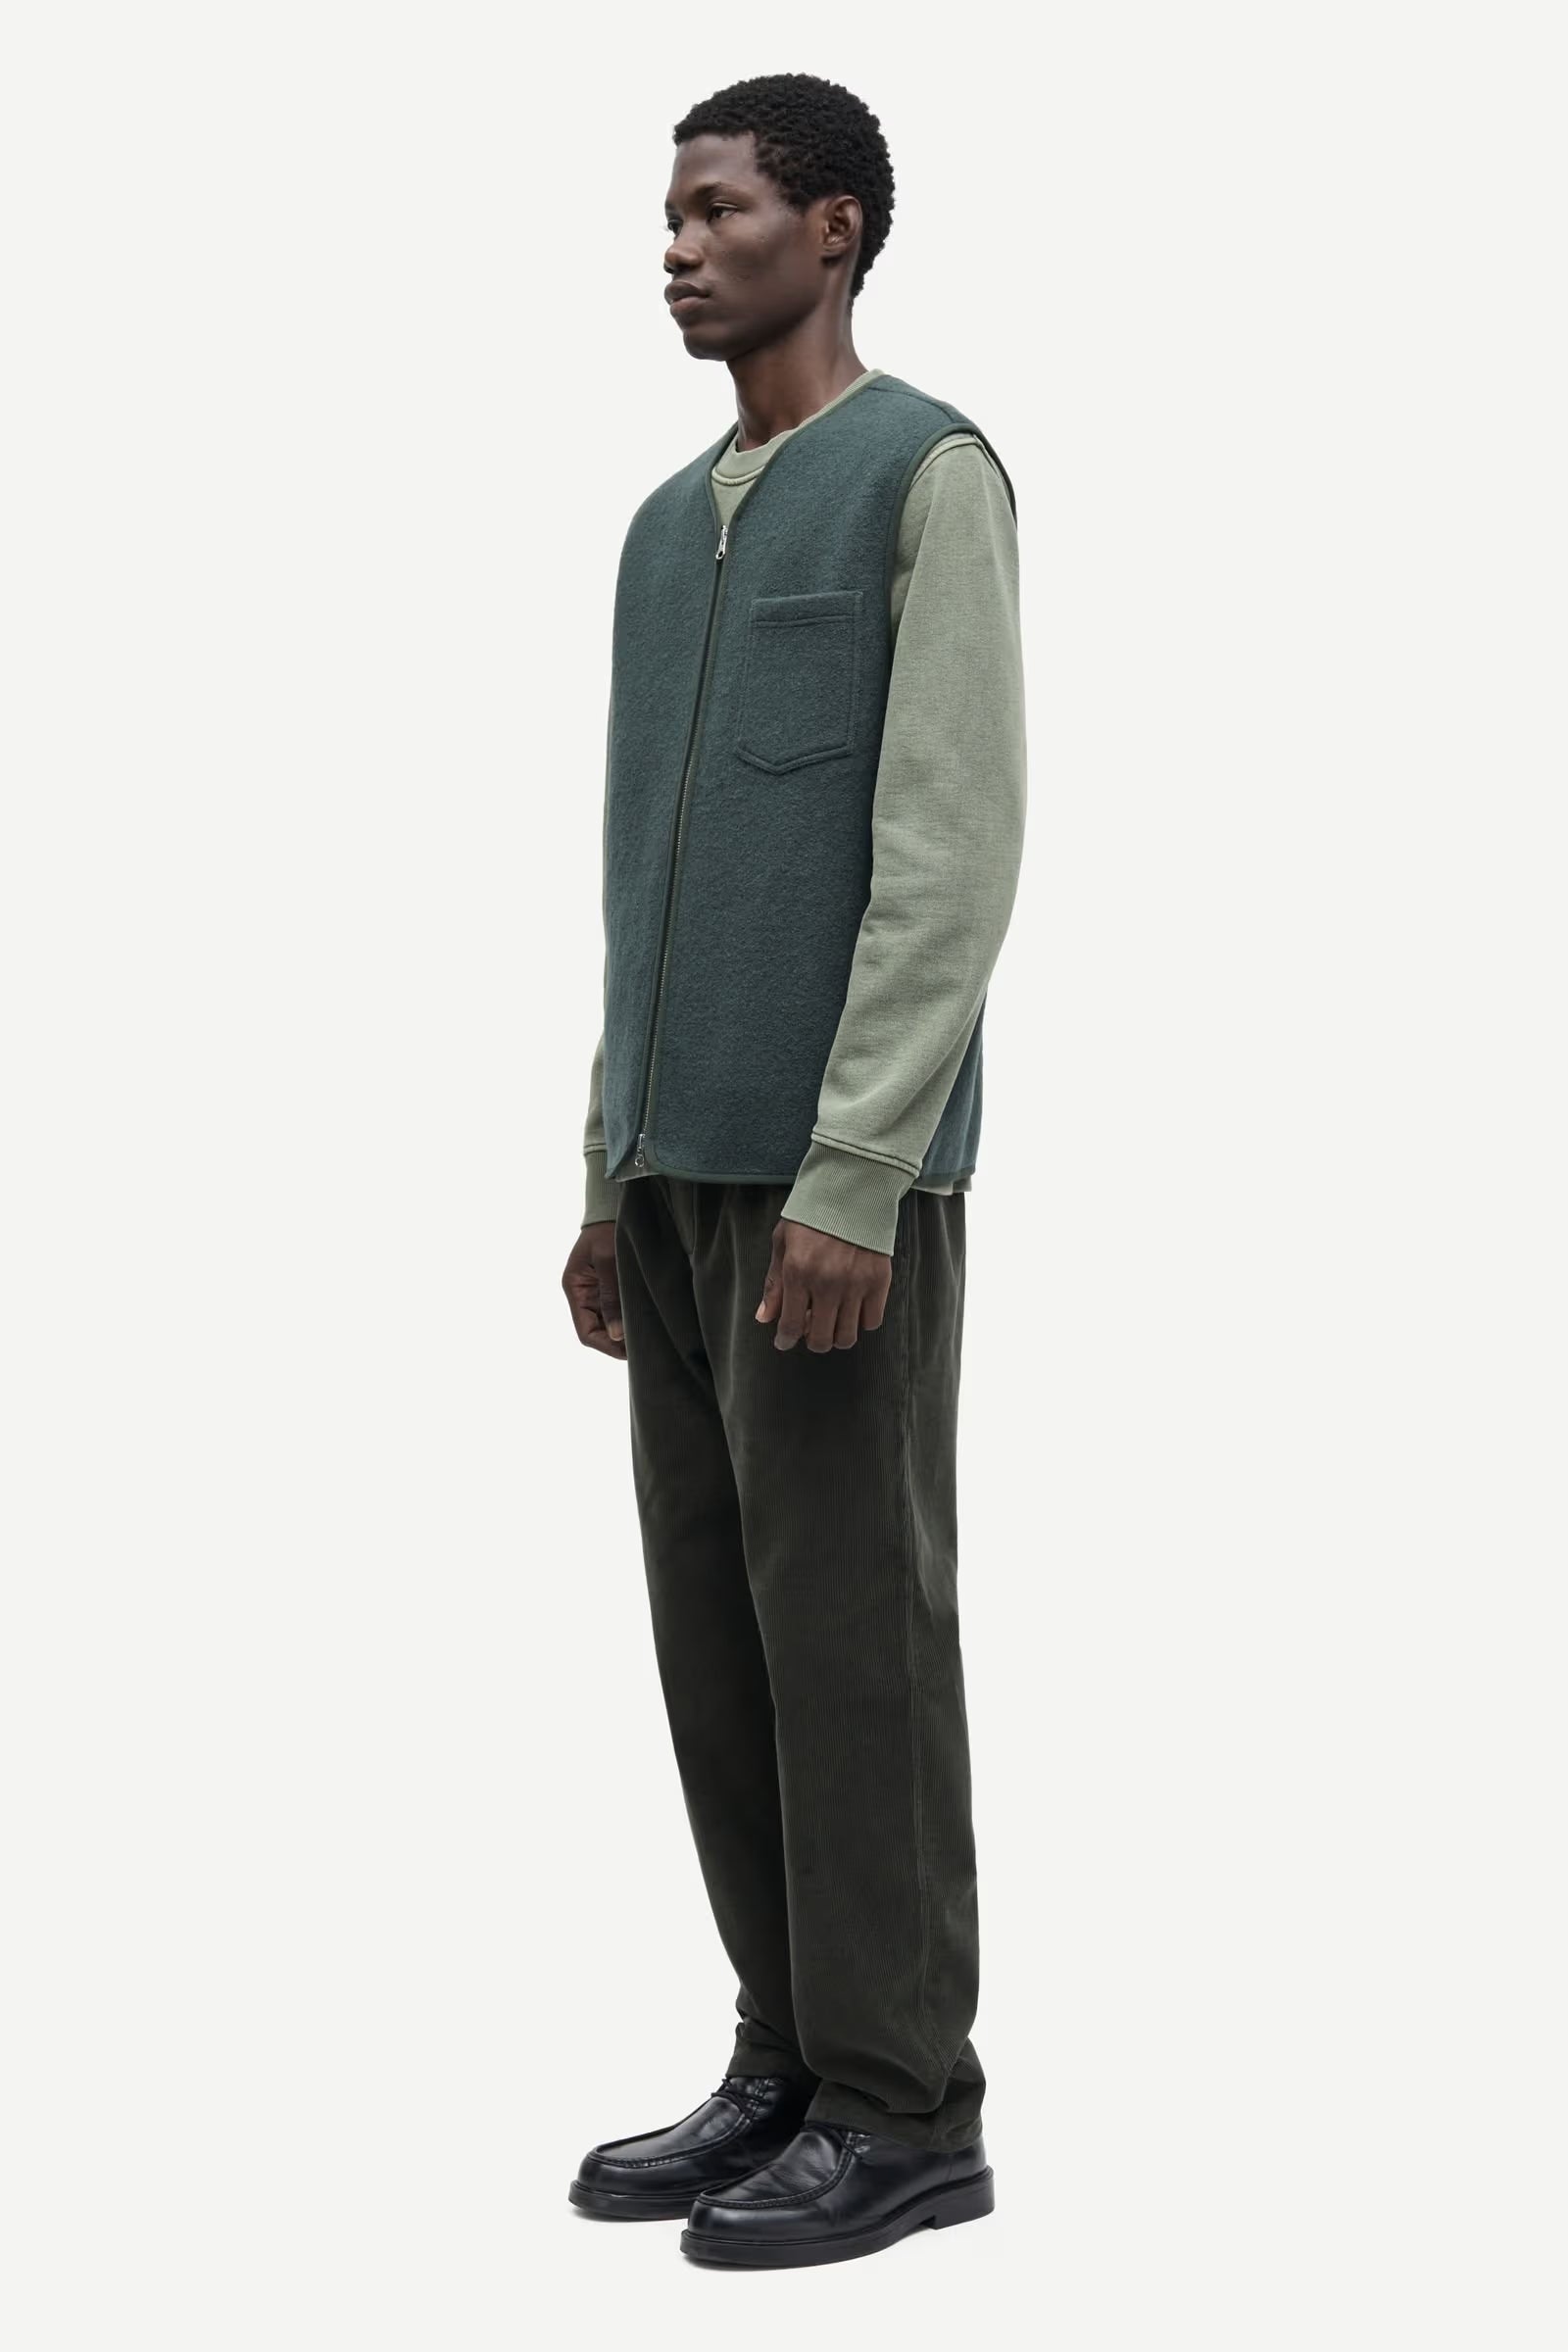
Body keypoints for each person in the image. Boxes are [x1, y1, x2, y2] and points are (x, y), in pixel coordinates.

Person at [560, 72, 1026, 2270]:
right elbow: (631, 880)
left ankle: (904, 2102)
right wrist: (606, 1163)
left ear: (831, 229)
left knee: (852, 1644)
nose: (678, 244)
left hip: (835, 1188)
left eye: (719, 207)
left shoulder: (925, 476)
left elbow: (949, 847)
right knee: (715, 1643)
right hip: (672, 1176)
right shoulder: (668, 527)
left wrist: (858, 1170)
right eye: (669, 212)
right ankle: (787, 2053)